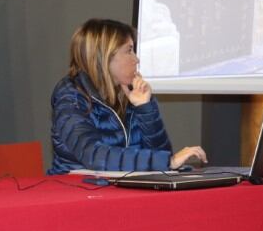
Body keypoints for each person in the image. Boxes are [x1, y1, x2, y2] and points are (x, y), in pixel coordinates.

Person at [48, 18, 206, 175]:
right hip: (76, 191)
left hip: (119, 190)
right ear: (105, 55)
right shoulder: (71, 96)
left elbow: (160, 156)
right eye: (129, 50)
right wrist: (168, 161)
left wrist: (145, 108)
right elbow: (94, 156)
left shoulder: (132, 93)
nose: (136, 59)